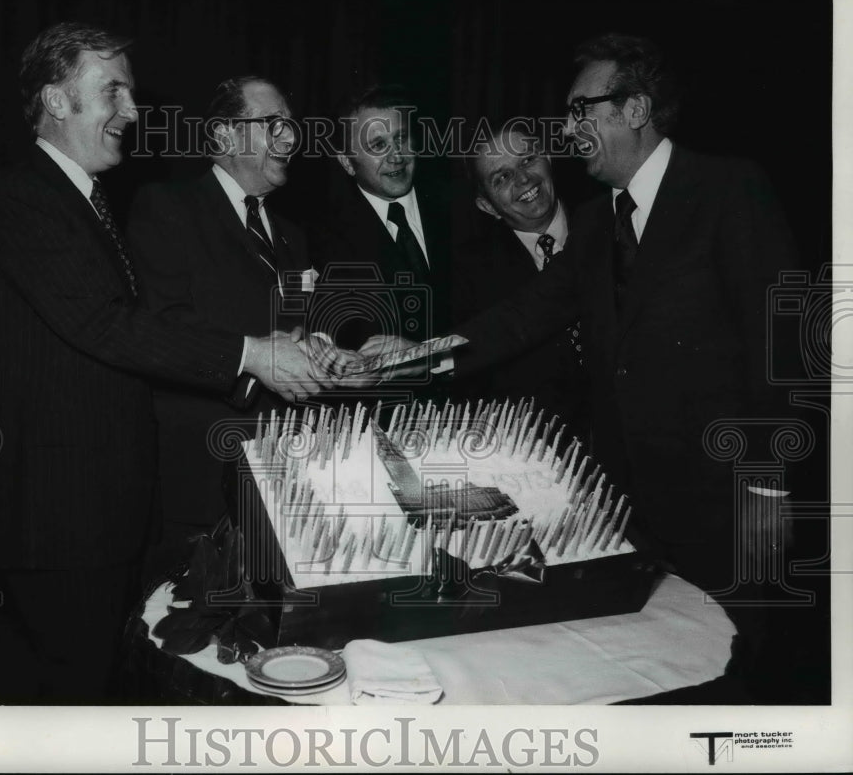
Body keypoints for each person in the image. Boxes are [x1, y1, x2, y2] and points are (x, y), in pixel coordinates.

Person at [367, 33, 798, 619]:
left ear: (635, 110)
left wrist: (769, 491)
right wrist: (420, 352)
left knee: (745, 664)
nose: (567, 130)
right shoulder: (597, 224)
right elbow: (520, 318)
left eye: (580, 111)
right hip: (631, 512)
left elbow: (780, 350)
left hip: (724, 503)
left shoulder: (727, 190)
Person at [0, 25, 333, 703]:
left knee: (106, 690)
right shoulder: (23, 196)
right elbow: (104, 323)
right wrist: (251, 353)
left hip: (102, 512)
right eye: (114, 92)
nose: (133, 112)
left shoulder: (85, 200)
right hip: (58, 517)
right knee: (74, 700)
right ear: (56, 100)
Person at [127, 76, 353, 578]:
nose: (291, 140)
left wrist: (318, 346)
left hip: (288, 479)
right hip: (203, 481)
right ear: (225, 137)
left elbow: (293, 328)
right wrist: (255, 362)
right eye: (274, 125)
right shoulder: (167, 208)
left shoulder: (293, 236)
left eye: (291, 128)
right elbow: (162, 330)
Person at [452, 121, 587, 435]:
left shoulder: (607, 223)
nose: (524, 178)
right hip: (544, 452)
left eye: (527, 160)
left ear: (548, 159)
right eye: (502, 177)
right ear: (487, 206)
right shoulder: (470, 274)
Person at [309, 85, 453, 351]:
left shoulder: (458, 208)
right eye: (378, 145)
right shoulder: (325, 242)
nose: (396, 156)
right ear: (347, 163)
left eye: (401, 138)